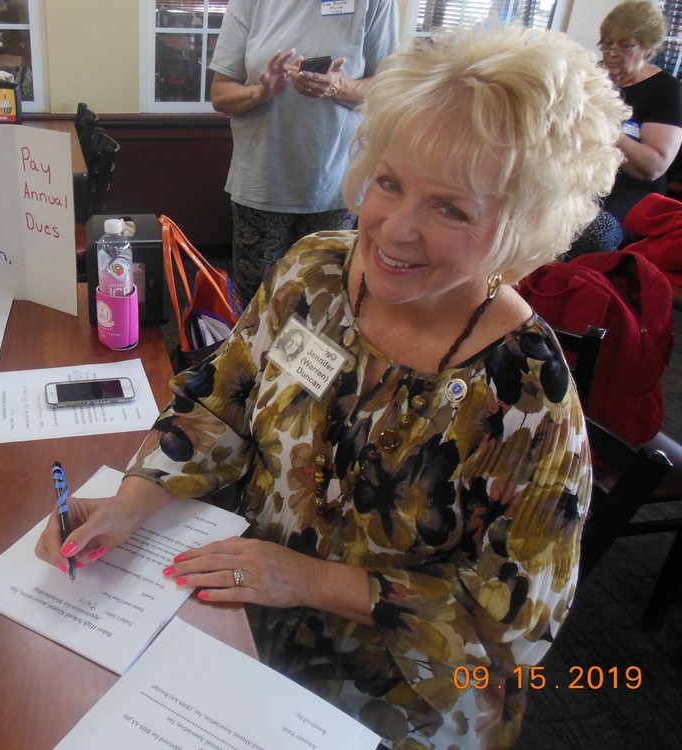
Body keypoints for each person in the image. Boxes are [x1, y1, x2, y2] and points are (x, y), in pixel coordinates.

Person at [37, 24, 628, 750]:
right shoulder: (314, 273)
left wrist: (310, 581)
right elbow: (220, 400)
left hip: (391, 687)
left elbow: (513, 629)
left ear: (523, 227)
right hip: (234, 607)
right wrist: (131, 502)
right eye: (390, 181)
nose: (393, 230)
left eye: (451, 209)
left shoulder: (528, 397)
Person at [208, 0, 399, 306]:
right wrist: (261, 92)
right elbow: (220, 94)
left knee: (321, 308)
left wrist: (339, 87)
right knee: (257, 305)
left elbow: (389, 90)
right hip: (261, 185)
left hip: (335, 188)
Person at [571, 0, 682, 255]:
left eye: (625, 45)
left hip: (631, 188)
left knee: (592, 232)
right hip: (583, 175)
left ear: (647, 47)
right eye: (607, 44)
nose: (612, 53)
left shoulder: (665, 89)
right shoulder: (592, 77)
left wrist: (607, 128)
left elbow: (653, 167)